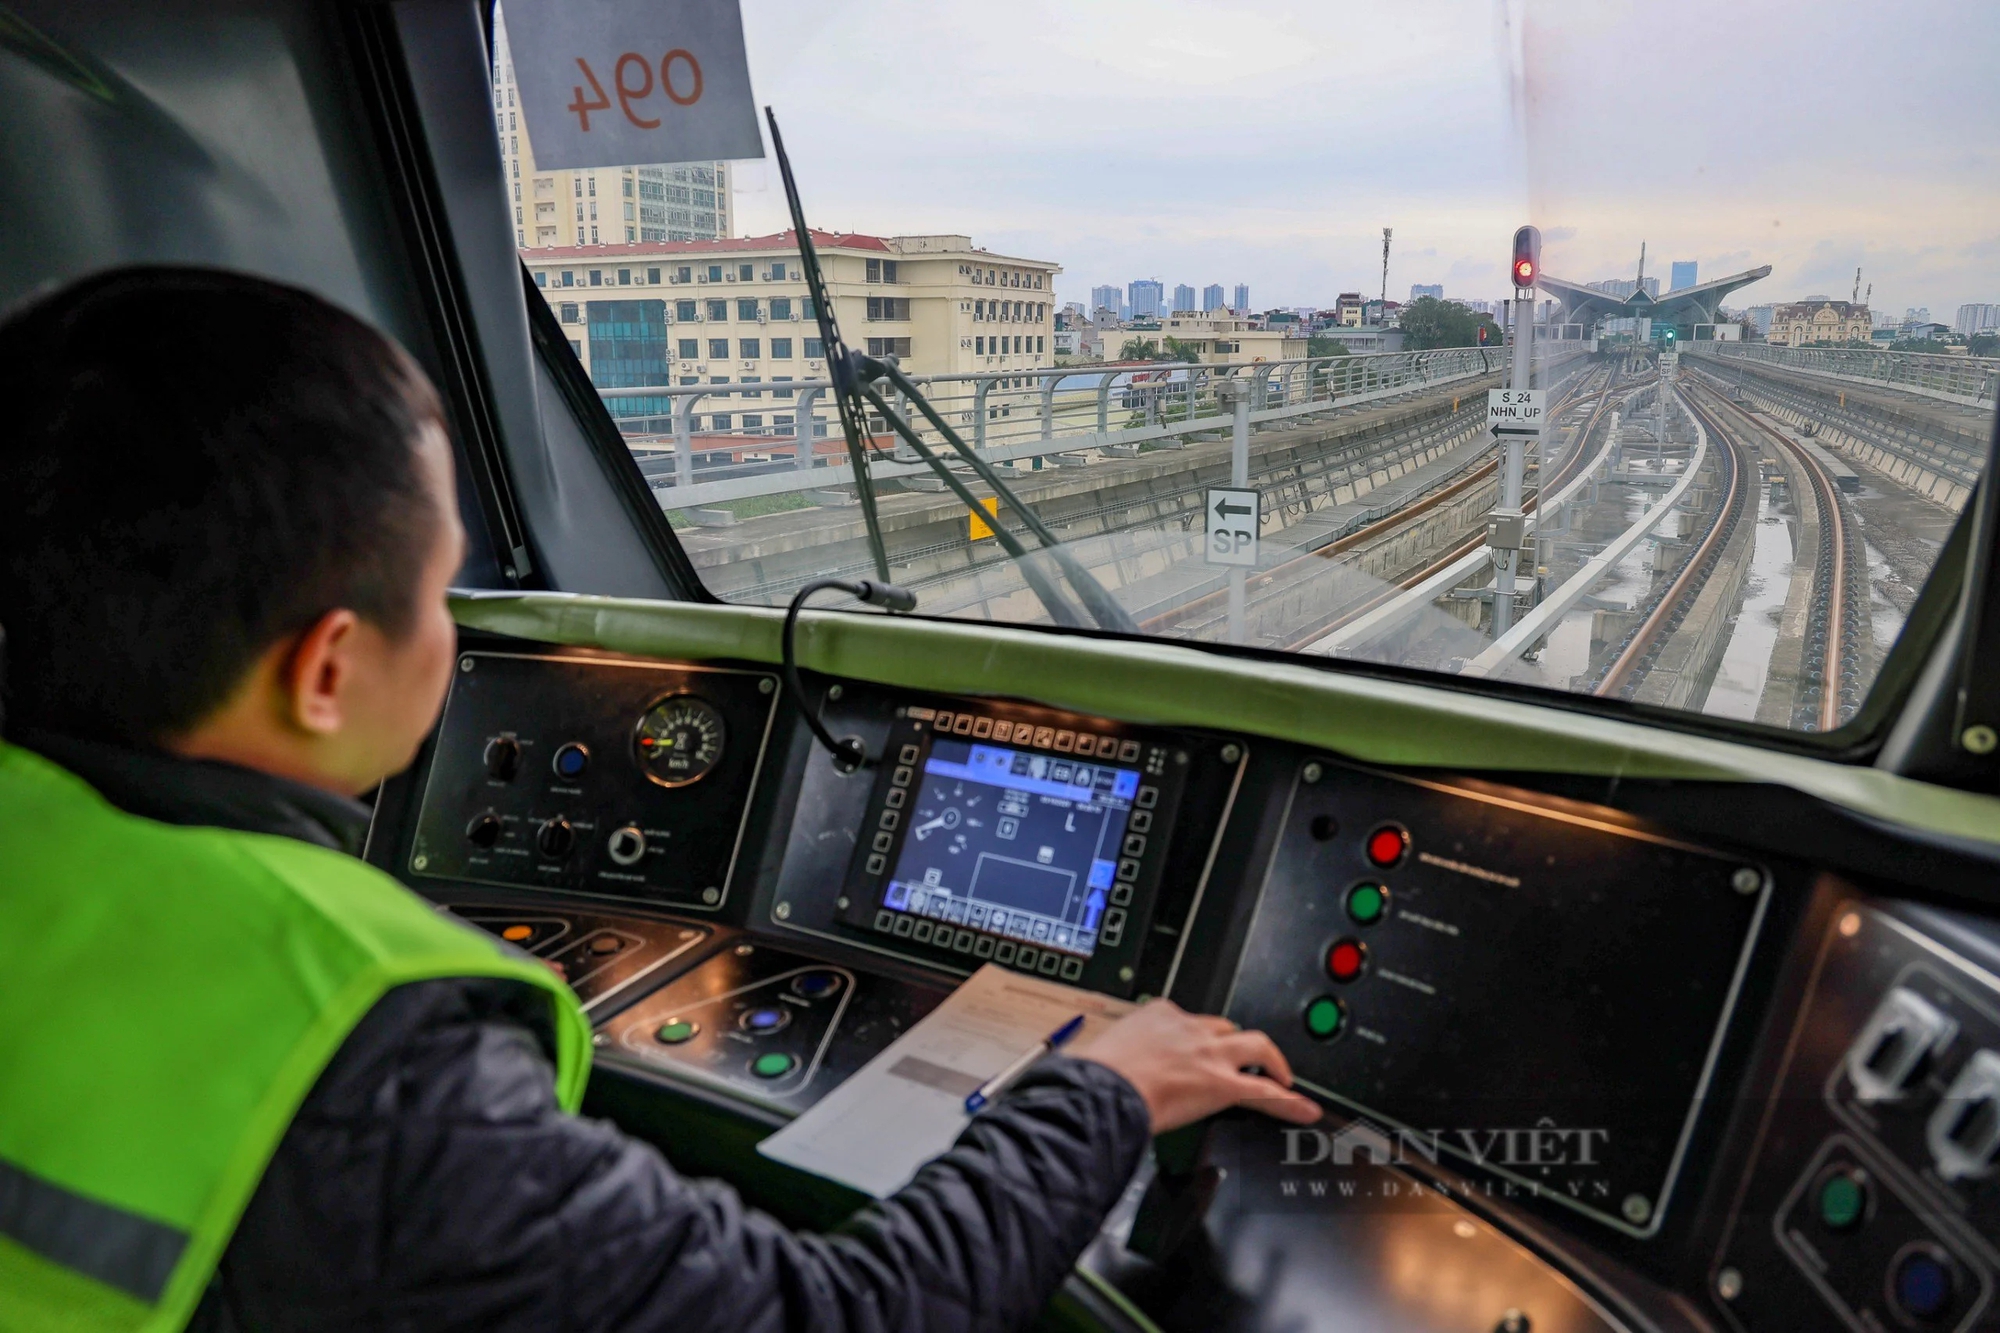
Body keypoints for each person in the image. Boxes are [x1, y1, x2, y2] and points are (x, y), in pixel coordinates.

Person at [0, 267, 1319, 1333]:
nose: (455, 638)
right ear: (330, 667)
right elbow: (840, 1314)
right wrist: (1093, 1093)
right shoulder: (365, 1059)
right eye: (443, 588)